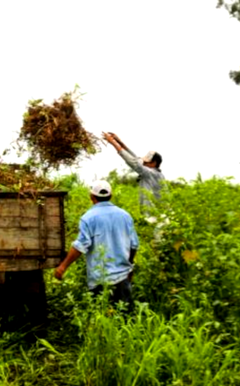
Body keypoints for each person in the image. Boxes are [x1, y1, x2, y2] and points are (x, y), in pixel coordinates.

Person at [54, 180, 139, 312]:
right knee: (125, 318)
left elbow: (80, 246)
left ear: (91, 197)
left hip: (99, 279)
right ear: (111, 196)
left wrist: (62, 267)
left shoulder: (88, 218)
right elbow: (134, 245)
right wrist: (130, 265)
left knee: (100, 318)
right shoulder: (125, 215)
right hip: (122, 277)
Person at [102, 132, 164, 210]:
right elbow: (136, 158)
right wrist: (119, 141)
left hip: (154, 215)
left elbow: (134, 162)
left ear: (154, 163)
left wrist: (113, 143)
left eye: (146, 162)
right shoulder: (155, 173)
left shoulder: (151, 173)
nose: (144, 163)